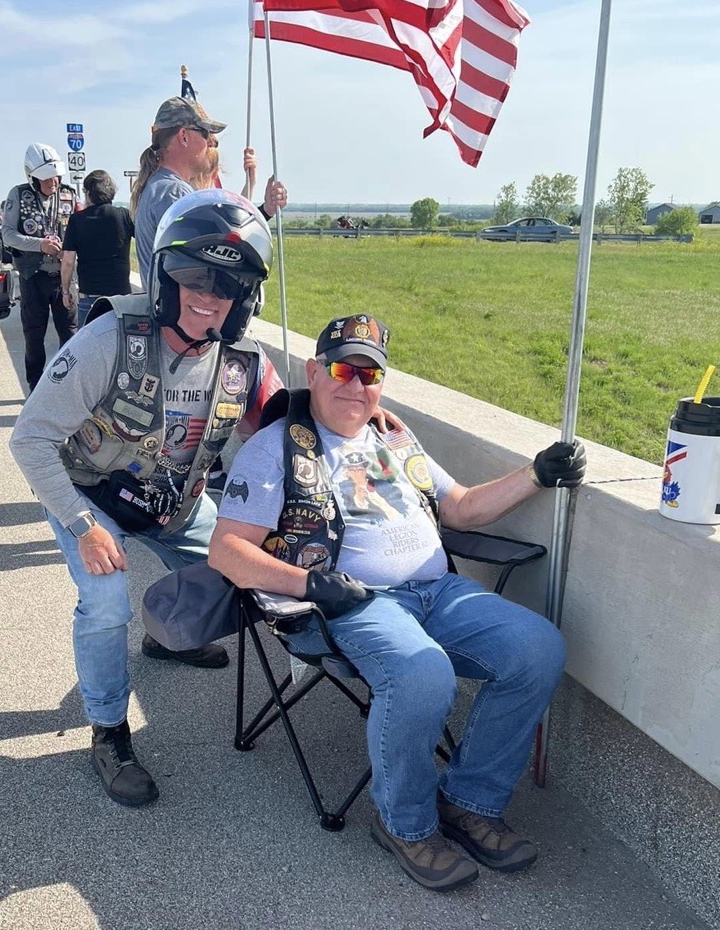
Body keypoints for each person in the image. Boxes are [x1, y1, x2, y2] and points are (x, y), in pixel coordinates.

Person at [208, 314, 586, 893]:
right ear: (313, 372)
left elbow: (458, 508)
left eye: (369, 373)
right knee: (421, 670)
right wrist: (314, 586)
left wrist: (536, 474)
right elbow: (227, 551)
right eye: (341, 369)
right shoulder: (275, 447)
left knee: (539, 648)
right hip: (349, 603)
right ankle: (406, 826)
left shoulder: (394, 436)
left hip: (438, 591)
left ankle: (469, 802)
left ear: (382, 383)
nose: (354, 385)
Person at [10, 188, 285, 809]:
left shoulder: (243, 362)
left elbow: (288, 431)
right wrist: (82, 524)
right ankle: (109, 730)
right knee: (106, 601)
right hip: (94, 497)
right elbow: (30, 439)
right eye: (193, 274)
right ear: (166, 275)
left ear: (245, 297)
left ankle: (166, 635)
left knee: (249, 575)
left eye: (226, 283)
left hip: (176, 504)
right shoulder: (110, 337)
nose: (206, 294)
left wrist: (370, 422)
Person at [129, 96, 288, 284]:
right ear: (184, 137)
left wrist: (265, 210)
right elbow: (220, 257)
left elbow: (223, 239)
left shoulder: (159, 186)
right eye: (205, 133)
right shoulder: (174, 193)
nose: (211, 142)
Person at [2, 144, 80, 391]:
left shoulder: (69, 195)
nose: (54, 182)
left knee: (70, 333)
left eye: (57, 177)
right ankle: (35, 386)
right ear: (33, 177)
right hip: (32, 276)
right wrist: (39, 245)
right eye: (47, 178)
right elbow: (8, 235)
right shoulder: (18, 195)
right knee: (34, 335)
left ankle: (66, 384)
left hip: (63, 278)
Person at [60, 170, 134, 328]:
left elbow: (68, 261)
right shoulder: (124, 215)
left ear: (88, 194)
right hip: (122, 297)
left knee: (88, 349)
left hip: (90, 297)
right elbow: (145, 241)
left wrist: (65, 291)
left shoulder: (77, 220)